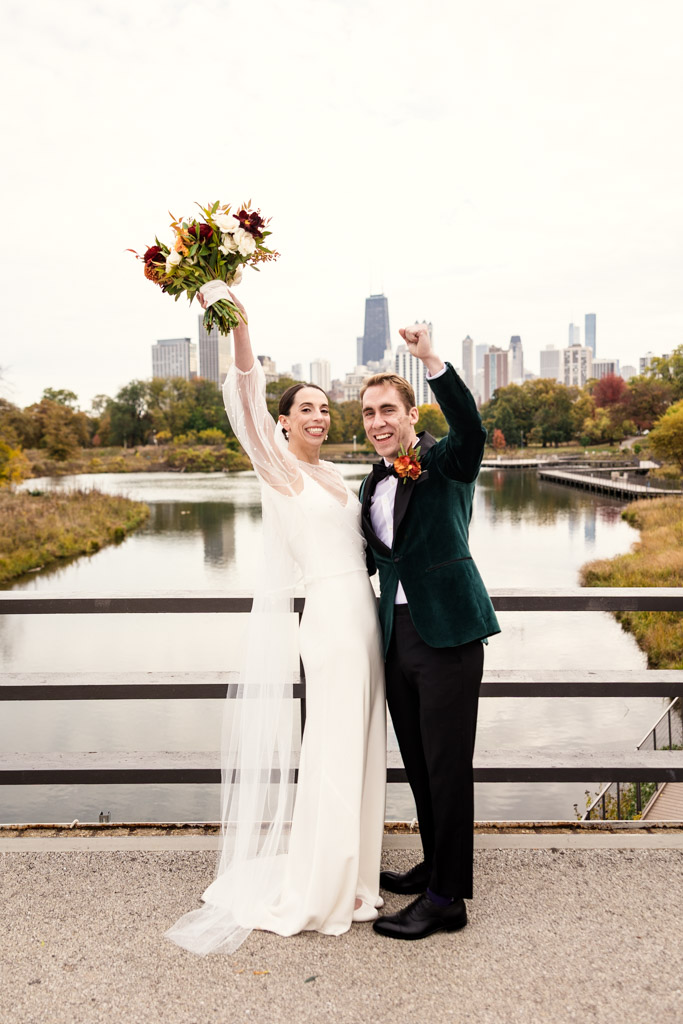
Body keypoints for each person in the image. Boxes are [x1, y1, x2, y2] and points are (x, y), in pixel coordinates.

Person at [165, 287, 386, 955]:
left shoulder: (337, 477)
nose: (316, 416)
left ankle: (354, 875)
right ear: (284, 423)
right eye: (303, 410)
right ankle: (321, 882)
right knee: (332, 748)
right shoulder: (281, 471)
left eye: (323, 408)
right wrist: (240, 326)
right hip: (328, 619)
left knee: (361, 745)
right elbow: (243, 404)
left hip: (365, 618)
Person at [359, 323, 500, 941]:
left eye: (388, 409)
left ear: (411, 414)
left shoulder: (443, 460)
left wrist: (432, 361)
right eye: (368, 413)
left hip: (448, 634)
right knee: (418, 763)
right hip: (397, 635)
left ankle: (448, 899)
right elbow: (373, 558)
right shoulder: (372, 481)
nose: (377, 421)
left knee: (447, 766)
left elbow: (470, 430)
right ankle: (433, 865)